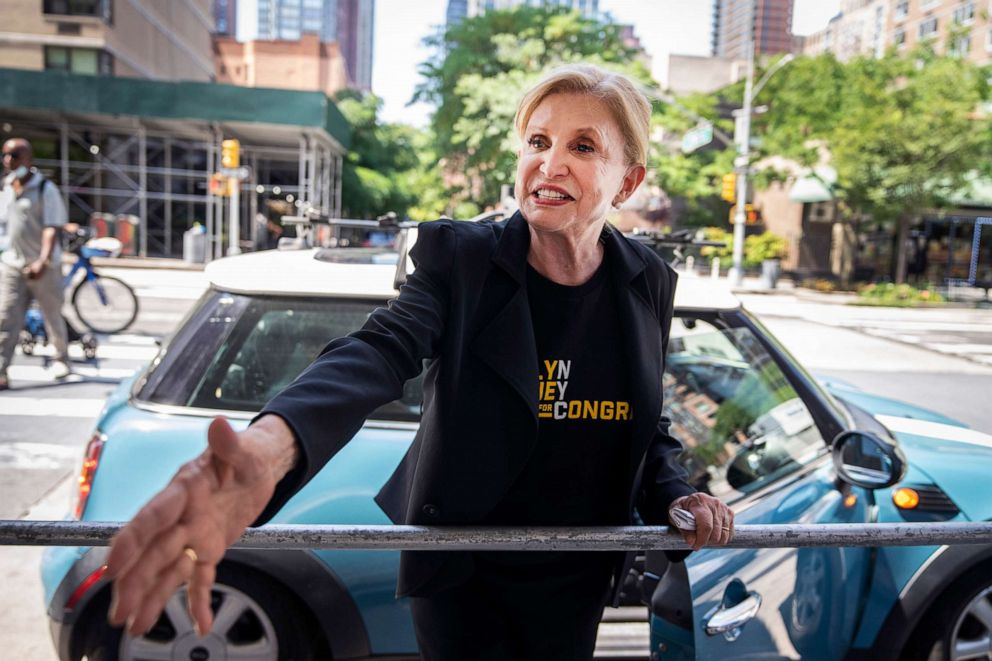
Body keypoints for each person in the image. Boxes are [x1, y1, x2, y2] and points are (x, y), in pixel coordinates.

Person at [105, 64, 734, 659]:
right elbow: (379, 350)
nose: (550, 162)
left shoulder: (646, 278)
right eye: (538, 140)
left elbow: (643, 421)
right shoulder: (460, 257)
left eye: (584, 147)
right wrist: (269, 449)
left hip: (578, 565)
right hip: (463, 565)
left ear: (627, 182)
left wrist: (678, 496)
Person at [0, 138, 71, 390]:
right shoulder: (7, 187)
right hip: (12, 264)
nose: (9, 161)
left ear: (28, 158)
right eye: (6, 155)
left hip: (43, 266)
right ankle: (1, 369)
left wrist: (42, 260)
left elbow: (51, 228)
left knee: (52, 315)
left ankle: (60, 358)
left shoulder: (44, 189)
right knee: (6, 318)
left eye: (15, 155)